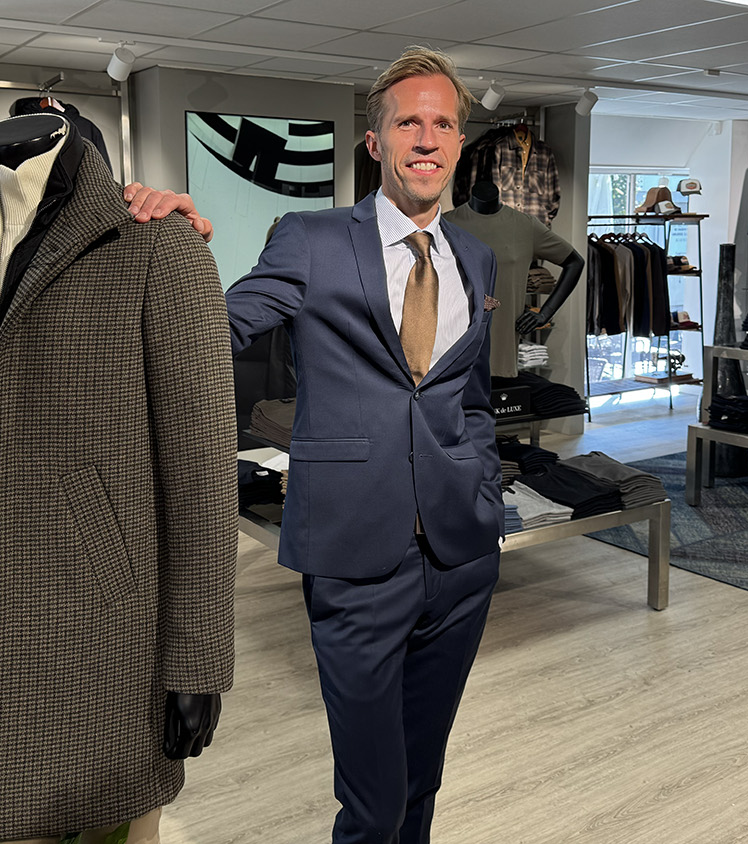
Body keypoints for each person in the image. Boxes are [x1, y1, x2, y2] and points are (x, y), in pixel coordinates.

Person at [128, 46, 502, 844]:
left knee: (423, 783)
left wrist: (483, 493)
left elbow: (470, 398)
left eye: (442, 124)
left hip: (461, 556)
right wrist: (166, 246)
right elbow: (208, 331)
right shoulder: (311, 239)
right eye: (408, 123)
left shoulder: (476, 256)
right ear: (376, 142)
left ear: (459, 143)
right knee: (372, 804)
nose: (426, 139)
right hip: (355, 557)